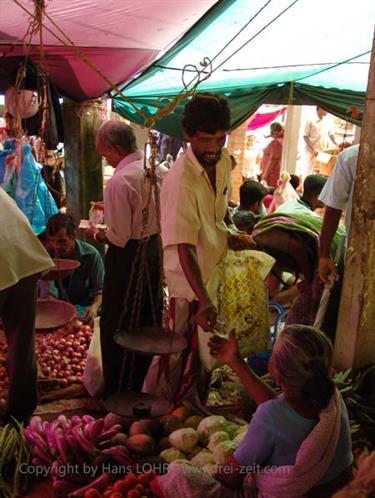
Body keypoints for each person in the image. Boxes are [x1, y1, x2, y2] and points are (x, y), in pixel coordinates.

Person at [144, 93, 249, 403]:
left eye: (220, 138)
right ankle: (154, 408)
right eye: (205, 140)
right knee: (174, 352)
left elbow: (218, 213)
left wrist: (230, 231)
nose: (214, 147)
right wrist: (202, 299)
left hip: (212, 274)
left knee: (205, 351)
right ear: (187, 135)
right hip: (188, 285)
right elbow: (183, 246)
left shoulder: (225, 160)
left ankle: (192, 404)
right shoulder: (181, 181)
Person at [209, 325, 353, 497]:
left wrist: (207, 472)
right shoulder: (332, 398)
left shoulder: (269, 417)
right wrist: (235, 360)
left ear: (277, 372)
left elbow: (231, 478)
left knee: (178, 477)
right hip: (342, 489)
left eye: (273, 352)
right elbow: (278, 410)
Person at [86, 121, 162, 395]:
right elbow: (145, 208)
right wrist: (110, 206)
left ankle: (120, 386)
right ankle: (144, 380)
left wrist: (96, 234)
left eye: (104, 154)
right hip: (153, 251)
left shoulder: (119, 180)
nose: (105, 159)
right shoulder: (157, 170)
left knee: (118, 317)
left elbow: (118, 237)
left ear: (116, 149)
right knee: (146, 315)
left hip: (128, 257)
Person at [0, 187, 53, 423]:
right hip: (24, 256)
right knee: (22, 345)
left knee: (21, 345)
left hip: (10, 259)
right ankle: (20, 417)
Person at [44, 212, 104, 324]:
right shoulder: (47, 255)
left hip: (85, 312)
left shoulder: (91, 255)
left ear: (73, 236)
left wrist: (94, 308)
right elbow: (49, 294)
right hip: (59, 313)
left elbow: (100, 291)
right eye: (52, 241)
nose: (56, 246)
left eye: (62, 241)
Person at [318, 144, 359, 284]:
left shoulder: (352, 156)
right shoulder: (351, 157)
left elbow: (333, 208)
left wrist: (323, 255)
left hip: (358, 251)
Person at [303, 106, 337, 175]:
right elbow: (305, 136)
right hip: (311, 151)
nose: (327, 111)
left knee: (321, 171)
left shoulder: (327, 121)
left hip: (323, 151)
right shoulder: (310, 120)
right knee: (309, 171)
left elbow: (331, 134)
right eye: (325, 109)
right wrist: (313, 149)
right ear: (319, 109)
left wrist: (337, 144)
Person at [260, 122, 284, 188]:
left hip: (271, 173)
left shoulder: (277, 143)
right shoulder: (278, 141)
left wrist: (265, 175)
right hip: (272, 171)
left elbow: (273, 159)